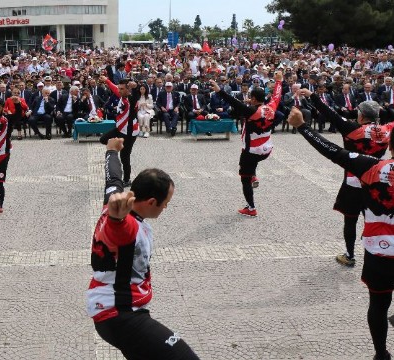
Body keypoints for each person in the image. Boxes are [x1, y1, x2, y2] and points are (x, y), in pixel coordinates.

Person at [287, 108, 394, 360]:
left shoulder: (370, 166)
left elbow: (331, 150)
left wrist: (302, 126)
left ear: (389, 146)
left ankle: (381, 354)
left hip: (378, 253)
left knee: (378, 305)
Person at [87, 138, 199, 360]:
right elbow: (118, 230)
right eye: (165, 202)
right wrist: (116, 219)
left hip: (111, 309)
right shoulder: (127, 225)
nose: (166, 207)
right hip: (120, 314)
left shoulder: (113, 200)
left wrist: (111, 151)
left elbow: (113, 176)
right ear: (150, 202)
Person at [303, 89, 394, 266]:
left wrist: (311, 96)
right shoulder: (387, 130)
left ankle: (349, 255)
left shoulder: (352, 129)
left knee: (350, 221)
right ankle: (379, 249)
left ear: (361, 116)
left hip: (353, 182)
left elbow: (330, 113)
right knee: (377, 218)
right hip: (376, 182)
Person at [210, 71, 283, 217]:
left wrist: (219, 91)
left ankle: (251, 208)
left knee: (244, 178)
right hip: (266, 150)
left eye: (251, 97)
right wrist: (279, 81)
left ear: (254, 99)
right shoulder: (271, 108)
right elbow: (277, 96)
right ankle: (253, 175)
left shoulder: (250, 111)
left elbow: (233, 101)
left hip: (251, 151)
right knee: (252, 164)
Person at [99, 75, 141, 187]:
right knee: (103, 139)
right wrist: (106, 80)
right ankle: (116, 147)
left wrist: (135, 85)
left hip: (129, 133)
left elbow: (137, 92)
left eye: (122, 89)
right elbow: (114, 88)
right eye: (119, 88)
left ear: (128, 89)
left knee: (124, 157)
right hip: (120, 129)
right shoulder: (122, 95)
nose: (119, 90)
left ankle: (127, 180)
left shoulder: (132, 99)